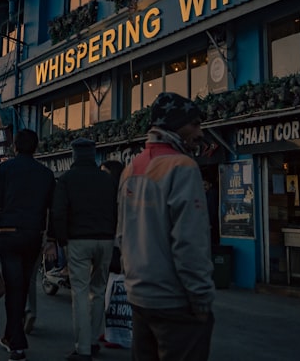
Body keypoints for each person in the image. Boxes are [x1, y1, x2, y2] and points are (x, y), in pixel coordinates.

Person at [116, 92, 215, 361]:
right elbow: (189, 242)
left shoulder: (131, 168)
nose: (200, 132)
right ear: (174, 124)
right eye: (194, 124)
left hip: (139, 299)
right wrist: (201, 297)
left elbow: (122, 236)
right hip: (175, 302)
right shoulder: (182, 166)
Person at [0, 128, 56, 361]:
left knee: (14, 288)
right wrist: (50, 239)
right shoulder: (46, 174)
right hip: (33, 236)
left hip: (9, 235)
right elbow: (53, 209)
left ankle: (17, 344)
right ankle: (10, 335)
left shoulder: (5, 169)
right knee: (21, 286)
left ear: (15, 147)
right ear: (36, 147)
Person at [52, 138, 117, 361]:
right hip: (106, 240)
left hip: (78, 240)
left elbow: (58, 212)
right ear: (94, 155)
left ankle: (83, 349)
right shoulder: (107, 180)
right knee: (98, 290)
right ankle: (92, 341)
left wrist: (62, 241)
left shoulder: (67, 179)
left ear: (74, 155)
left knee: (79, 292)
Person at [98, 159, 125, 351]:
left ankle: (117, 334)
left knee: (115, 292)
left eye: (104, 172)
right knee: (109, 290)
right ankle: (109, 331)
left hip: (119, 245)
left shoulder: (120, 194)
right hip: (110, 243)